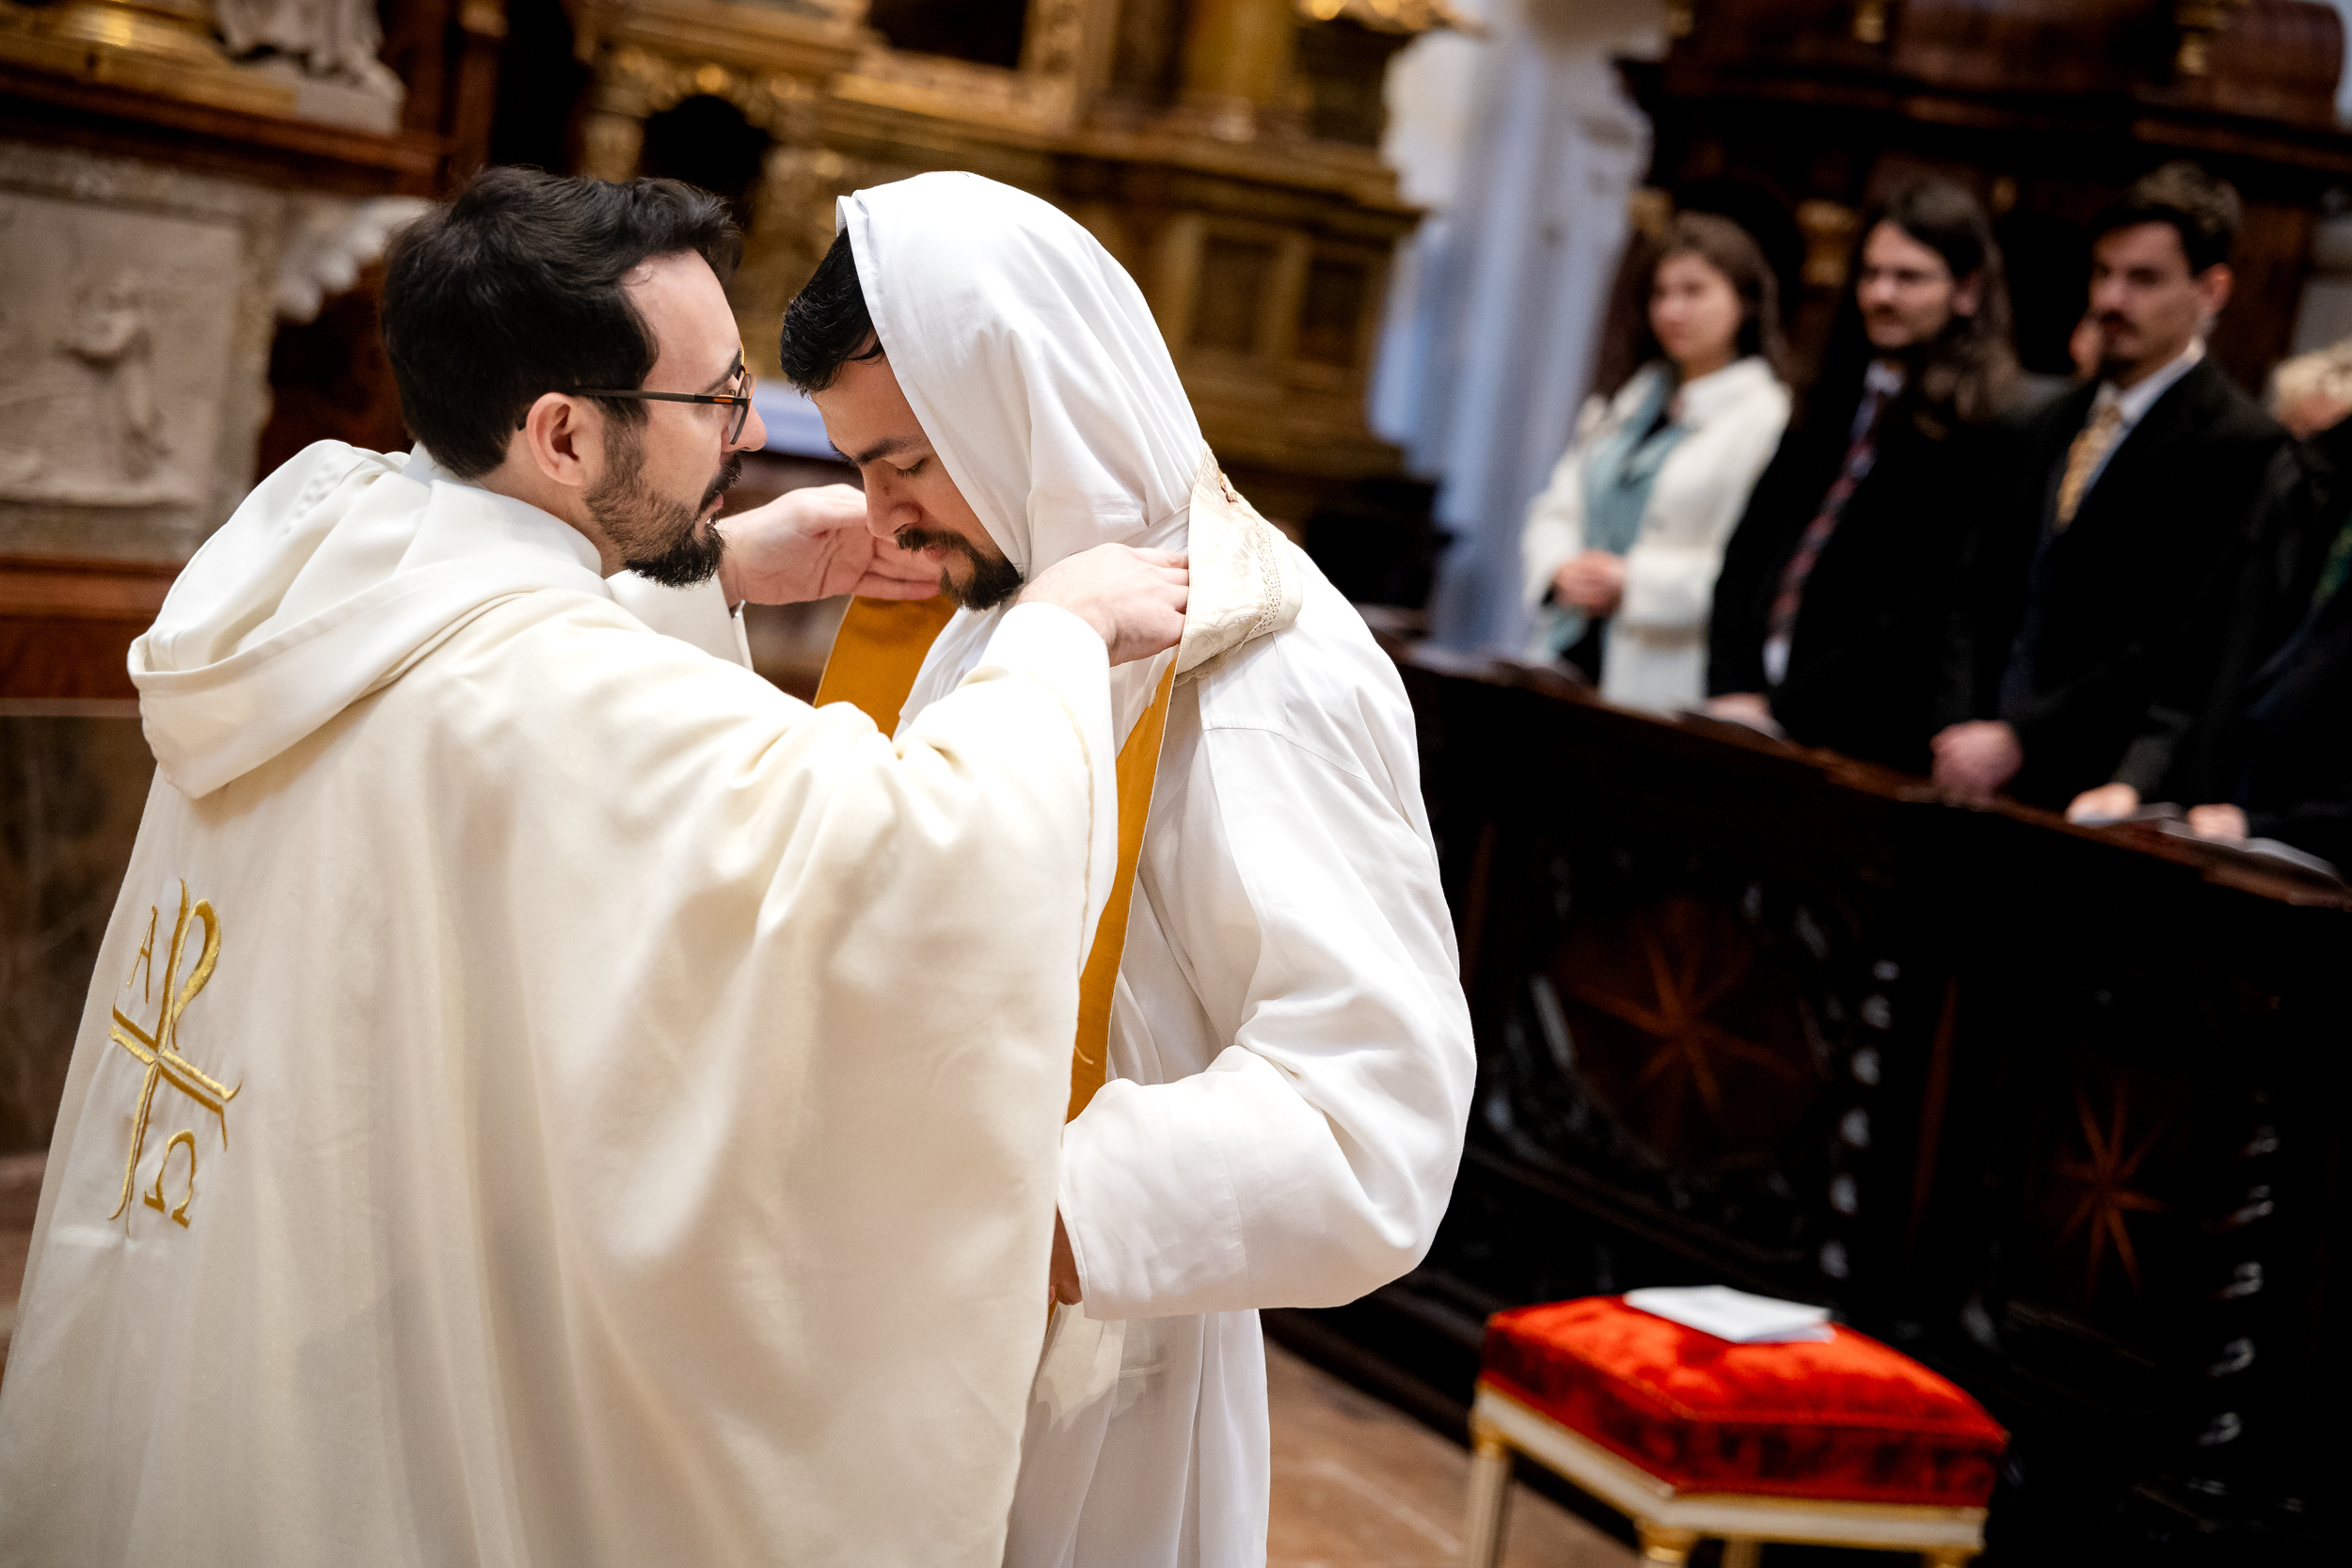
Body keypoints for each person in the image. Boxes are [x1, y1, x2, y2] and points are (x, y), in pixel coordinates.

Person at [0, 168, 1194, 1565]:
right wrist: (1055, 634)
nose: (746, 436)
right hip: (374, 1357)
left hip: (233, 1251)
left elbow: (501, 648)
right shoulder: (546, 688)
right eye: (715, 400)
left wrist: (704, 566)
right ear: (563, 433)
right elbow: (913, 858)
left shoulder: (324, 542)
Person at [777, 171, 1474, 1566]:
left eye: (905, 463)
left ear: (1022, 402)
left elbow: (1372, 1108)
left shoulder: (1265, 666)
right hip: (893, 1298)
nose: (885, 516)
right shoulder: (1014, 596)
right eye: (861, 468)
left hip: (1087, 1365)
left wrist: (1021, 1209)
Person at [1934, 162, 2298, 809]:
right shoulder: (2043, 422)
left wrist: (2021, 737)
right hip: (1962, 763)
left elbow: (2174, 640)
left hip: (2092, 782)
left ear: (2211, 291)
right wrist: (1960, 726)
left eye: (2143, 279)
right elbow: (1975, 590)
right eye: (2102, 273)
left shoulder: (2241, 445)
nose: (2110, 300)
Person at [1707, 179, 2020, 773]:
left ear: (1967, 290)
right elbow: (1746, 552)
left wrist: (1781, 708)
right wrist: (1731, 688)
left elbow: (1921, 608)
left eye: (1908, 278)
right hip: (1745, 711)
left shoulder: (1985, 428)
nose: (1881, 294)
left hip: (1864, 737)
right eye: (1870, 274)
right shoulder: (1828, 399)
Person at [1519, 212, 1789, 711]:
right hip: (1566, 649)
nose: (1672, 310)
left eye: (1694, 291)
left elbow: (1751, 569)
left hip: (1665, 669)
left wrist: (1632, 582)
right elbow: (1558, 507)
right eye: (1660, 293)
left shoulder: (1767, 417)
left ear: (1746, 300)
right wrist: (1560, 567)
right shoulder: (1629, 397)